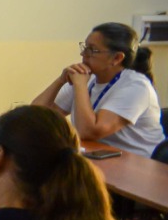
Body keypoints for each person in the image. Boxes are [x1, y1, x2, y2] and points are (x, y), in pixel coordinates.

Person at [32, 22, 163, 158]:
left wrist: (80, 86)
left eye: (92, 50)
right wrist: (60, 81)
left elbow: (88, 132)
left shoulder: (137, 87)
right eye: (85, 47)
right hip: (99, 157)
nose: (83, 53)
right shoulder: (87, 78)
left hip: (139, 163)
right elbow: (35, 117)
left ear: (117, 58)